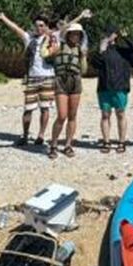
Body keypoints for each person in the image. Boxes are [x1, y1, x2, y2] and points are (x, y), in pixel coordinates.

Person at [0, 11, 57, 147]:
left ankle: (41, 135)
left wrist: (81, 17)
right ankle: (25, 134)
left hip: (48, 77)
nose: (38, 28)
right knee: (28, 108)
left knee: (45, 108)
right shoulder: (29, 39)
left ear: (46, 26)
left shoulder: (52, 38)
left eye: (41, 26)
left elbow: (66, 28)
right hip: (32, 78)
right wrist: (4, 18)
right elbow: (16, 29)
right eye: (37, 26)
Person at [43, 9, 92, 159]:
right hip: (61, 81)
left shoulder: (80, 50)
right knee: (62, 115)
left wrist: (84, 57)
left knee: (72, 115)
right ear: (68, 35)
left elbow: (83, 70)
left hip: (75, 81)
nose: (76, 36)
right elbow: (58, 33)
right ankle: (53, 144)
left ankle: (68, 145)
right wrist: (80, 16)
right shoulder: (59, 45)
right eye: (73, 34)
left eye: (78, 34)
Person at [89, 25, 133, 154]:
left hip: (120, 87)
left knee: (121, 113)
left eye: (111, 33)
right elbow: (94, 63)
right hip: (104, 87)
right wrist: (101, 50)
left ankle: (122, 142)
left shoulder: (123, 51)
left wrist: (127, 37)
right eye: (107, 33)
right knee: (105, 114)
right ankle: (106, 142)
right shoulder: (102, 50)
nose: (109, 36)